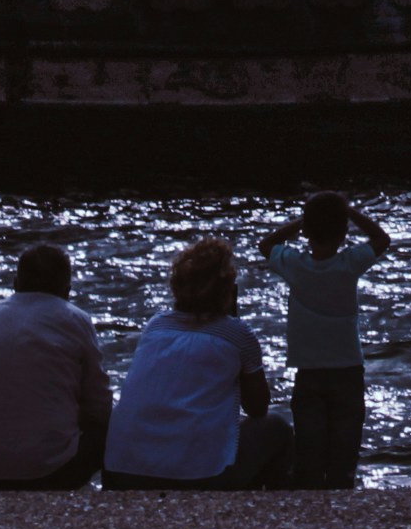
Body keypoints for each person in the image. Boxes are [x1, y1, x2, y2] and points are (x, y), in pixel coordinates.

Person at [101, 238, 295, 491]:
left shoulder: (156, 326)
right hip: (200, 477)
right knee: (276, 427)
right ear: (228, 290)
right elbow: (257, 409)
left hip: (123, 471)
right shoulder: (238, 334)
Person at [0, 242, 110, 490]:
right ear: (67, 290)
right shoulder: (76, 320)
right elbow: (98, 404)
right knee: (108, 429)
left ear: (15, 283)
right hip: (50, 472)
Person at [260, 192, 393, 490]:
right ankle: (342, 492)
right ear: (344, 233)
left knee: (309, 442)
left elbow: (266, 245)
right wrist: (351, 213)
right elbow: (382, 239)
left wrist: (301, 223)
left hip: (308, 369)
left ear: (307, 231)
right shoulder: (349, 264)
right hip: (347, 367)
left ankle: (311, 496)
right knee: (345, 444)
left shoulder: (294, 264)